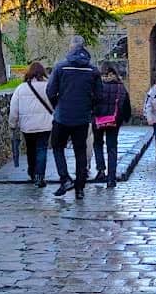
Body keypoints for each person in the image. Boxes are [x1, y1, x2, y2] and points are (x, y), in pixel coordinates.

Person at [46, 35, 101, 200]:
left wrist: (58, 105)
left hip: (62, 116)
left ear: (71, 48)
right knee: (80, 152)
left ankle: (65, 179)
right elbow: (99, 95)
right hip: (82, 118)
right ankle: (80, 188)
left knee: (57, 147)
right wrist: (89, 108)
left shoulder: (60, 67)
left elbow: (50, 91)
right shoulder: (92, 70)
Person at [8, 62, 53, 187]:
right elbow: (55, 103)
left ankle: (32, 172)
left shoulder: (21, 88)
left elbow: (14, 109)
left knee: (31, 149)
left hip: (27, 126)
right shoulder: (48, 86)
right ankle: (40, 176)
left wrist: (12, 124)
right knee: (42, 149)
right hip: (45, 124)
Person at [93, 64, 132, 189]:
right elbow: (126, 105)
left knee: (97, 144)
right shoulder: (121, 87)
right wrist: (124, 118)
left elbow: (91, 101)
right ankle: (111, 178)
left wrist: (92, 114)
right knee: (112, 148)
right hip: (114, 121)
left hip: (98, 120)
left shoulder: (97, 86)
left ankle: (100, 170)